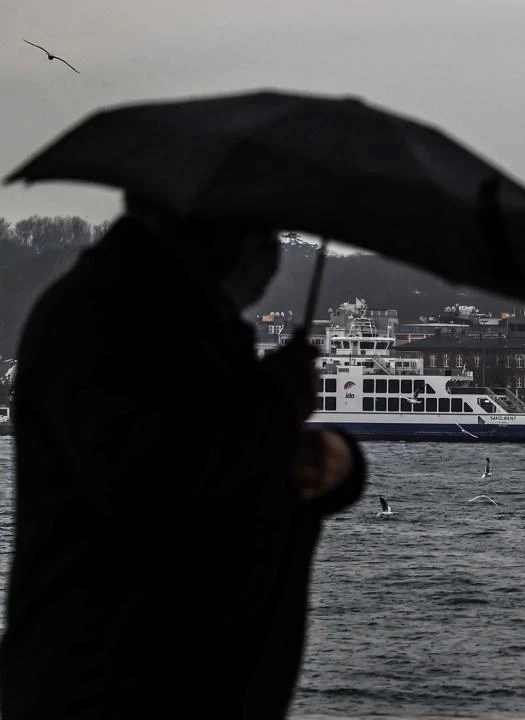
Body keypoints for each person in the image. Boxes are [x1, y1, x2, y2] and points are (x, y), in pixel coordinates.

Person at [0, 195, 365, 718]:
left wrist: (339, 463)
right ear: (189, 220)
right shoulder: (105, 320)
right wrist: (273, 404)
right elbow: (156, 484)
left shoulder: (184, 323)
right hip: (122, 686)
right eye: (252, 226)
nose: (265, 248)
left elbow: (234, 458)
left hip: (165, 677)